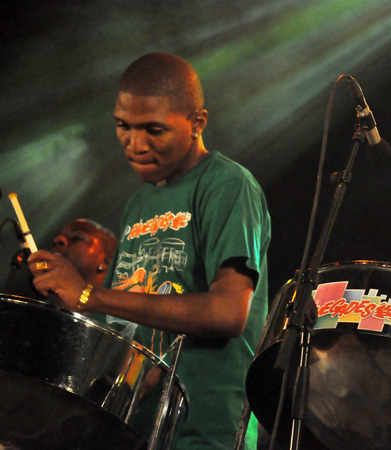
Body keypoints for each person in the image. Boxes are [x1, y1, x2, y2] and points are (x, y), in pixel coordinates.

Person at [28, 53, 271, 450]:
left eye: (153, 129)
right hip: (139, 429)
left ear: (198, 123)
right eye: (123, 126)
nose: (134, 143)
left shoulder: (227, 184)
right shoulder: (138, 204)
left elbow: (228, 313)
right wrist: (69, 300)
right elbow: (126, 326)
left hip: (205, 430)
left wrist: (90, 294)